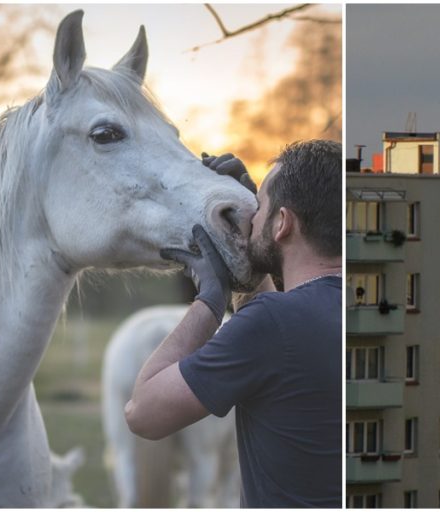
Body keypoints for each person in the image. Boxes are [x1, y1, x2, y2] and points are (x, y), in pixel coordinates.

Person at [124, 140, 342, 508]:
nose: (251, 217)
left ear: (283, 224)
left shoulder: (272, 323)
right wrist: (255, 261)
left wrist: (209, 300)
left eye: (261, 209)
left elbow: (143, 413)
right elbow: (282, 332)